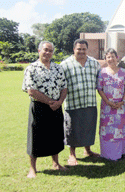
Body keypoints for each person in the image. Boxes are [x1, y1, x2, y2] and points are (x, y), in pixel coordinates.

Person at [22, 41, 68, 178]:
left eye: (50, 51)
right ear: (39, 51)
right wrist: (50, 102)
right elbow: (31, 91)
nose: (47, 53)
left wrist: (59, 102)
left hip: (56, 107)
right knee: (35, 137)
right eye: (45, 50)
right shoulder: (31, 68)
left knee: (55, 135)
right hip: (39, 107)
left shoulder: (58, 68)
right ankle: (32, 168)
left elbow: (64, 87)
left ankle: (56, 163)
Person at [60, 39, 101, 165]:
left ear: (87, 50)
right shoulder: (65, 64)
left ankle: (87, 150)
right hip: (73, 103)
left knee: (88, 127)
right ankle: (72, 154)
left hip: (90, 102)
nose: (81, 51)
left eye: (84, 49)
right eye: (79, 49)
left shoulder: (94, 63)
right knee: (72, 129)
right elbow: (61, 85)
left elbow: (100, 81)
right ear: (74, 49)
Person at [97, 48, 125, 161]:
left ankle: (123, 152)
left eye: (113, 56)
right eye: (108, 57)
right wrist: (108, 102)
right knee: (109, 130)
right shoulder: (102, 72)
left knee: (121, 128)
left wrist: (123, 101)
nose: (111, 59)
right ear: (105, 59)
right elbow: (99, 89)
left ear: (117, 58)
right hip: (107, 107)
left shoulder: (123, 72)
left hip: (121, 107)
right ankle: (109, 154)